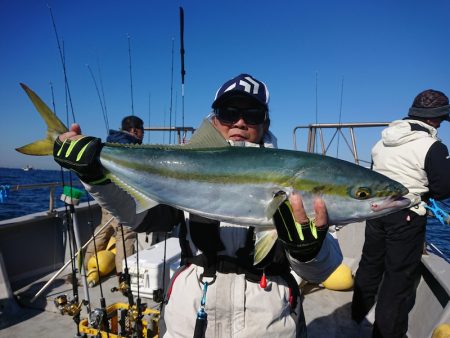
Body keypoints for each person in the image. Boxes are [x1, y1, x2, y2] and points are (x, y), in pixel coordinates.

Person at [54, 73, 343, 337]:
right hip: (190, 316)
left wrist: (310, 252)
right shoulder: (183, 165)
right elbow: (140, 217)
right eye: (229, 113)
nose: (240, 123)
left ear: (265, 123)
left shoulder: (295, 176)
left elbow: (320, 272)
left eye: (252, 114)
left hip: (267, 321)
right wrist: (93, 175)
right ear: (214, 119)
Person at [351, 89, 450, 337]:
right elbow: (442, 190)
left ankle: (356, 312)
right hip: (407, 214)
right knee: (398, 278)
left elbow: (373, 176)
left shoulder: (381, 141)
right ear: (435, 119)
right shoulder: (433, 146)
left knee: (370, 262)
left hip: (376, 211)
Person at [84, 115, 144, 276]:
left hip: (107, 197)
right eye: (141, 130)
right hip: (122, 198)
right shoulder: (131, 147)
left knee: (104, 230)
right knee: (126, 235)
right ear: (134, 130)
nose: (143, 134)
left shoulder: (110, 143)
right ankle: (124, 276)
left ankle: (85, 264)